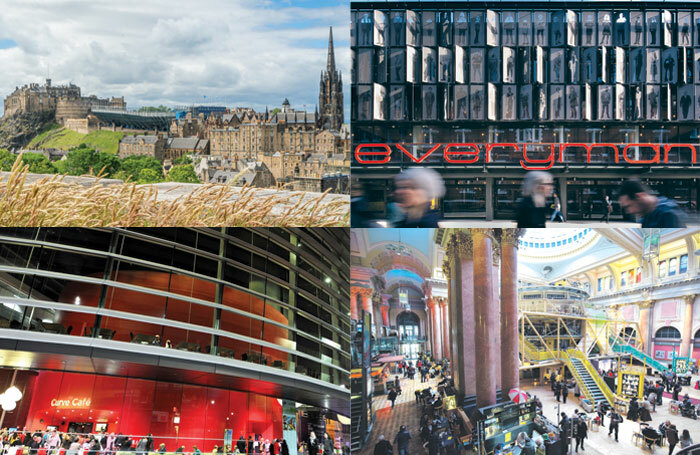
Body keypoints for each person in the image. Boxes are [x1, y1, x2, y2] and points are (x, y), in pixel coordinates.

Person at [618, 179, 687, 227]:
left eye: (629, 206)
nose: (628, 211)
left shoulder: (669, 215)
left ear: (639, 196)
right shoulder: (647, 217)